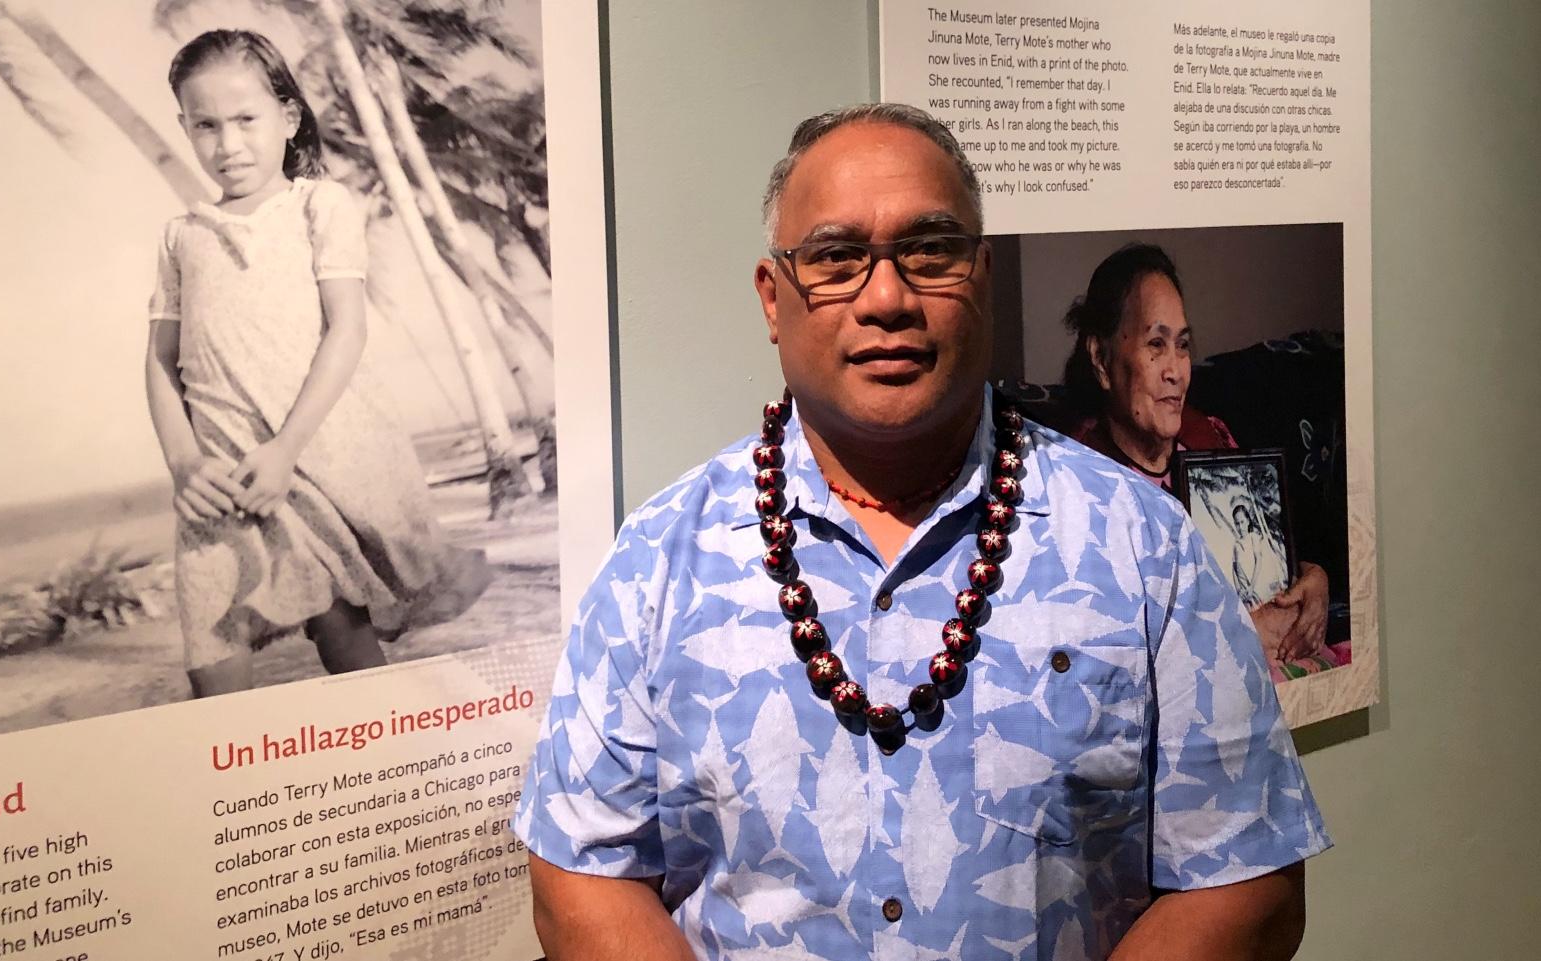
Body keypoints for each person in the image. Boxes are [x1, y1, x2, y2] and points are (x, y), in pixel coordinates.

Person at [514, 103, 1329, 960]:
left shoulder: (1142, 546)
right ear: (772, 297)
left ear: (979, 272)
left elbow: (1248, 879)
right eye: (834, 258)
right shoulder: (660, 560)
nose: (887, 297)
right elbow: (580, 871)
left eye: (929, 250)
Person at [145, 30, 487, 698]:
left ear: (288, 116)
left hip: (306, 461)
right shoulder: (180, 235)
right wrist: (184, 463)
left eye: (247, 119)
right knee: (212, 656)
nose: (229, 143)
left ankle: (382, 781)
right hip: (218, 477)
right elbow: (159, 362)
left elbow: (346, 329)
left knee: (344, 635)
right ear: (184, 127)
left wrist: (284, 449)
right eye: (206, 125)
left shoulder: (317, 205)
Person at [1059, 243, 1331, 670]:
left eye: (1182, 346)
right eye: (1155, 344)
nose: (1175, 370)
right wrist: (1233, 634)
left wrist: (1314, 581)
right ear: (1100, 359)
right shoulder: (1083, 487)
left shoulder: (1210, 441)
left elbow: (1268, 565)